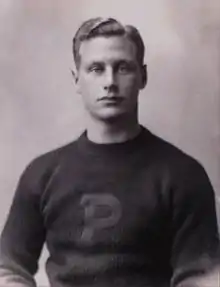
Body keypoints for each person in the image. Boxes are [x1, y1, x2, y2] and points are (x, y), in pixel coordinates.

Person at [0, 17, 219, 287]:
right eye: (96, 69)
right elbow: (7, 268)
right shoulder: (43, 174)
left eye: (122, 67)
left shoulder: (183, 175)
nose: (110, 82)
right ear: (77, 79)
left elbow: (203, 277)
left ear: (143, 76)